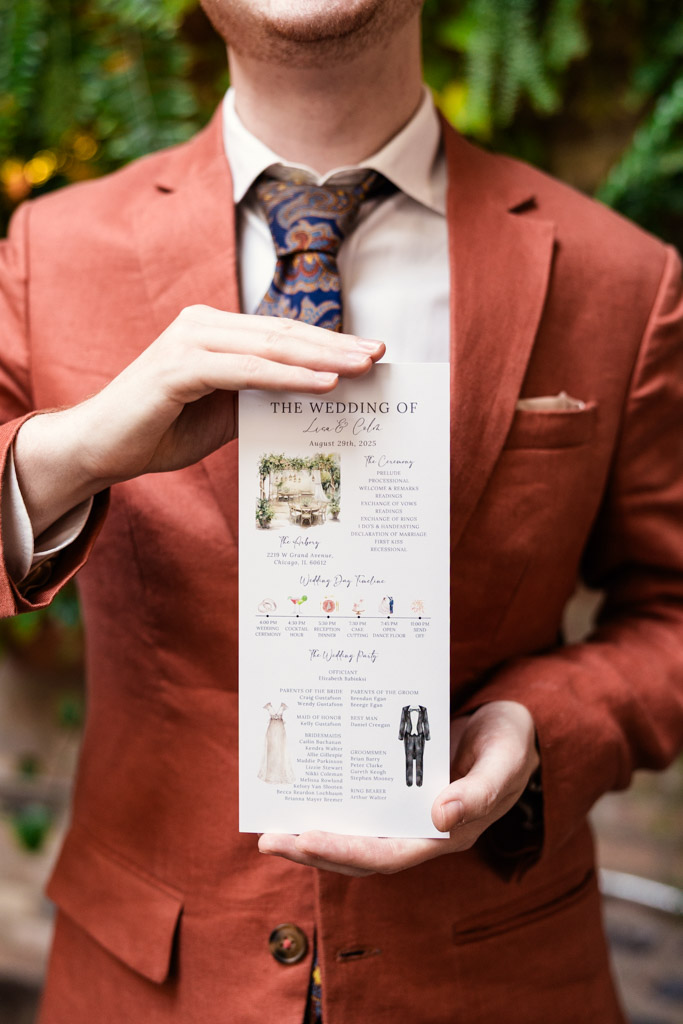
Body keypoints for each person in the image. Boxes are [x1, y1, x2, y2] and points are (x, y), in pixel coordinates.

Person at [0, 1, 681, 1021]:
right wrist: (76, 449)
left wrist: (538, 730)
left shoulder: (622, 275)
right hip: (148, 984)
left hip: (497, 976)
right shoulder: (47, 249)